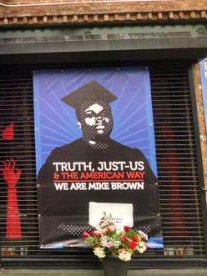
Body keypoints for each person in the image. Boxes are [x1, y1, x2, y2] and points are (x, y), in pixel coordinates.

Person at [37, 80, 160, 247]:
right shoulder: (60, 156)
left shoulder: (133, 156)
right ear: (79, 123)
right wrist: (84, 233)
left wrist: (131, 235)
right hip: (73, 241)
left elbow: (151, 205)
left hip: (124, 238)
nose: (99, 119)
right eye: (90, 115)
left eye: (104, 113)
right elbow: (47, 206)